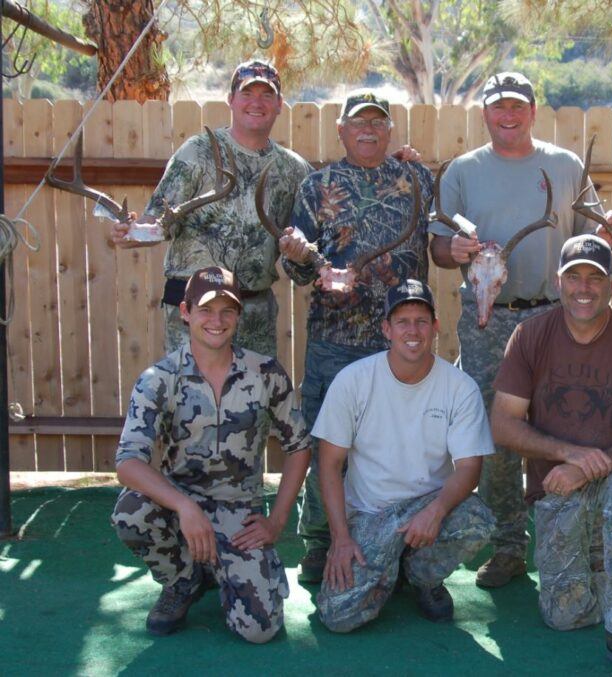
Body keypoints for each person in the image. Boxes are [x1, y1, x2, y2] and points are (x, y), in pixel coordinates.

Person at [429, 71, 612, 589]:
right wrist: (449, 252)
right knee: (495, 434)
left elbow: (594, 245)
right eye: (499, 106)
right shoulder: (462, 172)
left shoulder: (565, 167)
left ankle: (575, 536)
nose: (509, 114)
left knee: (568, 422)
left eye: (518, 105)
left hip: (556, 316)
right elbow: (437, 245)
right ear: (486, 114)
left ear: (533, 111)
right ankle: (508, 545)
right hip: (488, 319)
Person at [491, 235, 612, 676]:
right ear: (559, 281)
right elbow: (503, 423)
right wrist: (568, 455)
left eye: (595, 277)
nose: (584, 288)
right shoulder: (531, 335)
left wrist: (594, 464)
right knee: (563, 617)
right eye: (574, 277)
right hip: (557, 486)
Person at [280, 91, 434, 583]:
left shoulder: (417, 180)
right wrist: (301, 256)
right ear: (341, 130)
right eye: (358, 122)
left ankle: (409, 550)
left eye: (378, 122)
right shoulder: (316, 185)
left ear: (391, 132)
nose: (369, 129)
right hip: (335, 339)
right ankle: (321, 542)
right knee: (329, 443)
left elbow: (444, 237)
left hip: (403, 343)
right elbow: (294, 269)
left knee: (405, 447)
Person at [110, 266, 311, 643]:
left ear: (238, 315)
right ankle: (182, 581)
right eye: (205, 310)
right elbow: (128, 463)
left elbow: (299, 447)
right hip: (179, 507)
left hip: (239, 512)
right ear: (185, 312)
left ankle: (227, 569)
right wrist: (185, 507)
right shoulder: (159, 378)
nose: (216, 321)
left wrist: (277, 521)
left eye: (227, 311)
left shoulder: (265, 373)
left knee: (259, 631)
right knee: (130, 511)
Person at [313, 280, 496, 632]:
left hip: (428, 508)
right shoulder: (353, 381)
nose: (413, 331)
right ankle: (388, 567)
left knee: (478, 519)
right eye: (402, 321)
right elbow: (330, 464)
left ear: (435, 327)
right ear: (386, 329)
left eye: (422, 321)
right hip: (371, 514)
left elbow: (470, 467)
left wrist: (435, 511)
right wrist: (340, 538)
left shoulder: (460, 388)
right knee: (339, 617)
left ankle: (421, 575)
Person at [110, 60, 312, 357]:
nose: (257, 102)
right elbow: (156, 223)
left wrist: (301, 251)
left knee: (255, 402)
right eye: (247, 93)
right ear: (231, 100)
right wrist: (131, 232)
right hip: (195, 314)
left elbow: (307, 254)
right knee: (191, 400)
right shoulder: (197, 152)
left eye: (267, 95)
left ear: (280, 104)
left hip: (253, 315)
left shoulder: (294, 169)